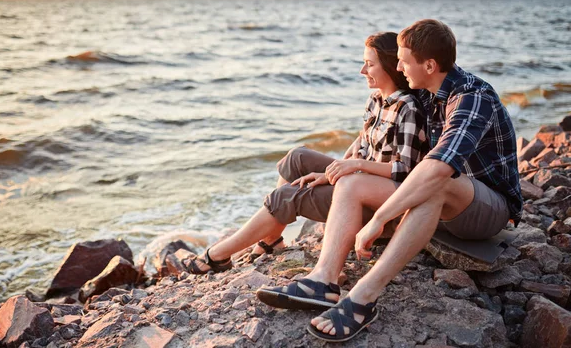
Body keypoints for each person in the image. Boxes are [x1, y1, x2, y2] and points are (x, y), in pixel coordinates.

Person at [256, 19, 523, 343]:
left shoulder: (471, 97)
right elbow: (385, 118)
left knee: (439, 181)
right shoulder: (426, 91)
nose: (397, 67)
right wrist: (345, 166)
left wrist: (379, 219)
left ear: (429, 64)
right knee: (351, 183)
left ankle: (363, 298)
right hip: (436, 203)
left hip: (486, 208)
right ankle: (323, 281)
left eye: (403, 61)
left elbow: (438, 168)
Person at [181, 31, 428, 275]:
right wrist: (337, 170)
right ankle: (272, 240)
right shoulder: (376, 100)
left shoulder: (407, 108)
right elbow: (363, 150)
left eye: (369, 64)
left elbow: (405, 171)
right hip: (357, 178)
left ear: (389, 66)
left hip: (375, 201)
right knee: (297, 157)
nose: (362, 71)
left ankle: (216, 256)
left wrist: (350, 169)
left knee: (288, 195)